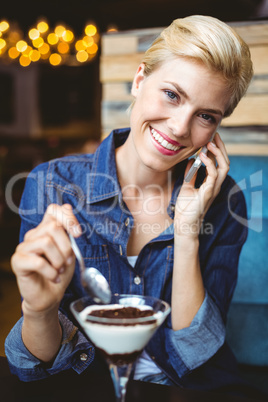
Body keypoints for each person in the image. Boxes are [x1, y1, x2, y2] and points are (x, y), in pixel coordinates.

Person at [5, 14, 257, 396]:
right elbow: (32, 365)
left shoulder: (224, 200)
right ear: (140, 80)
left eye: (205, 116)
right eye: (172, 94)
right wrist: (38, 310)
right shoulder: (54, 184)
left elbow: (196, 351)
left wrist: (187, 232)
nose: (178, 127)